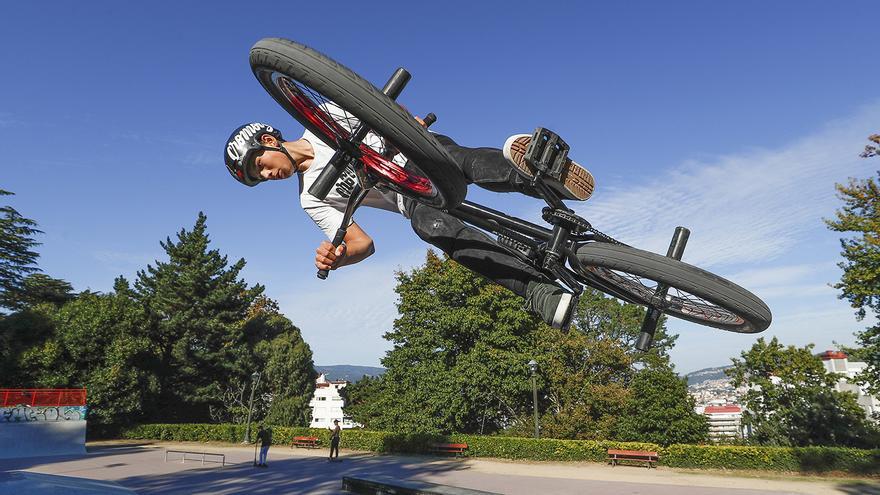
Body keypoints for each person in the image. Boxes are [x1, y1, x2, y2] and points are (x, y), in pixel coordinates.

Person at [223, 118, 595, 331]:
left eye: (260, 165)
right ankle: (538, 291)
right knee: (430, 228)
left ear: (268, 140)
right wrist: (339, 258)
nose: (268, 175)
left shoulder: (320, 117)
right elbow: (361, 244)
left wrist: (402, 121)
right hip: (411, 197)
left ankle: (542, 174)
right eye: (259, 179)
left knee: (455, 159)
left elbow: (375, 104)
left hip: (412, 152)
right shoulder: (312, 198)